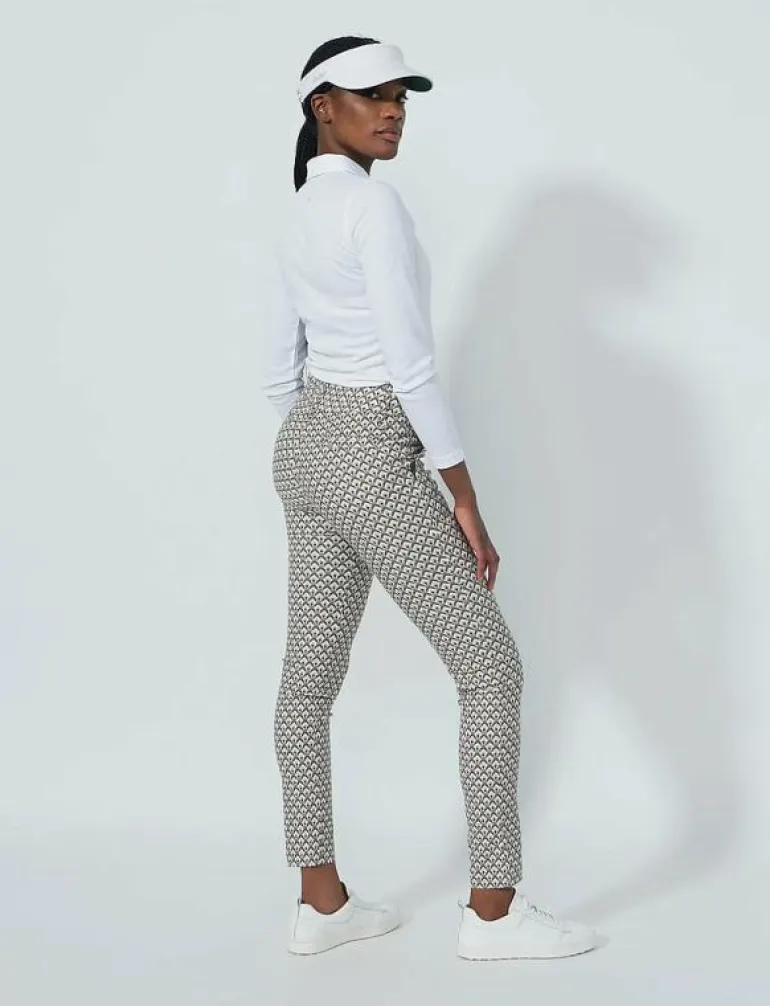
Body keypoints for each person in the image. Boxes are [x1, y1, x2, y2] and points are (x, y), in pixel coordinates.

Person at [261, 35, 601, 961]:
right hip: (371, 451)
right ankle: (493, 916)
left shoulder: (300, 211)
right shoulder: (370, 206)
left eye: (402, 97)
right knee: (491, 669)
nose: (393, 110)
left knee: (307, 685)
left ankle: (320, 904)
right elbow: (409, 363)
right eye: (371, 95)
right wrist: (463, 496)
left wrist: (323, 443)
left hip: (306, 449)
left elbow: (276, 368)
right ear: (321, 107)